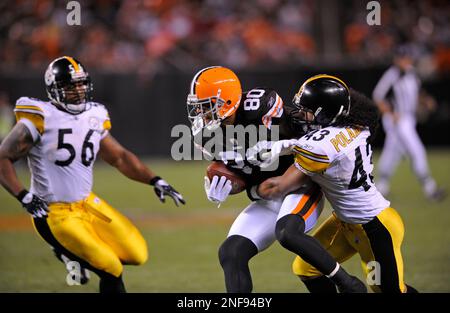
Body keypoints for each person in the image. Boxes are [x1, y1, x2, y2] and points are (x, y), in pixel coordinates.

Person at [0, 56, 185, 293]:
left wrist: (154, 180)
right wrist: (23, 196)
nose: (78, 91)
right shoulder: (40, 115)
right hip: (53, 212)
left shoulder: (95, 114)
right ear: (55, 90)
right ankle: (68, 251)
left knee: (137, 254)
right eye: (70, 86)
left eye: (81, 84)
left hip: (87, 204)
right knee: (111, 268)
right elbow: (3, 157)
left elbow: (119, 157)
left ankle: (70, 254)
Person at [187, 66, 365, 293]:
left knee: (287, 232)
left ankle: (347, 283)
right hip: (266, 193)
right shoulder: (206, 135)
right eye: (198, 107)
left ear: (228, 100)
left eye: (207, 105)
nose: (201, 114)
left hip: (299, 185)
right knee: (231, 252)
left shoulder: (258, 108)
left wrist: (283, 146)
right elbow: (244, 175)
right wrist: (226, 186)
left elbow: (306, 133)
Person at [256, 74, 417, 293]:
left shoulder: (319, 148)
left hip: (375, 227)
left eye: (307, 111)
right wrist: (293, 144)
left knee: (388, 291)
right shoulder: (359, 124)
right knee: (306, 268)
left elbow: (277, 188)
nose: (301, 115)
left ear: (326, 114)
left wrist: (250, 175)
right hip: (344, 222)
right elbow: (332, 140)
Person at [372, 45, 445, 201]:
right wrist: (391, 114)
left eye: (407, 57)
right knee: (416, 150)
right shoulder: (392, 75)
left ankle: (381, 187)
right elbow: (378, 96)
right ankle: (429, 188)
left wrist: (426, 101)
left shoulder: (411, 72)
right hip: (398, 120)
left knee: (393, 153)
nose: (406, 61)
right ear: (397, 59)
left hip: (408, 119)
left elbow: (418, 92)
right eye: (403, 58)